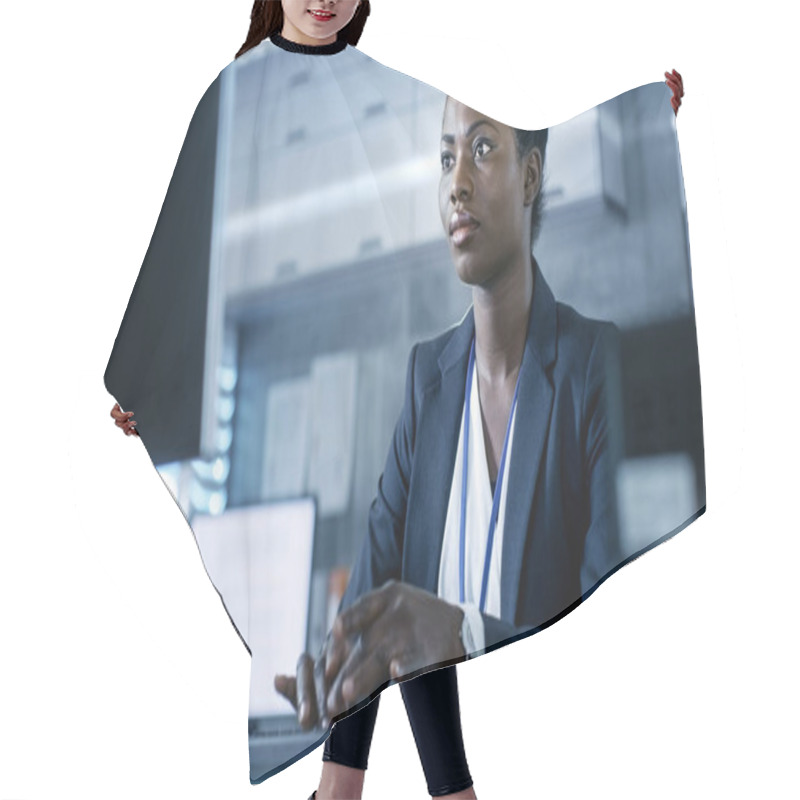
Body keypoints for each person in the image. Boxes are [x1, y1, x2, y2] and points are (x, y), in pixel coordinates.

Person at [109, 4, 687, 799]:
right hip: (383, 574)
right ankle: (390, 790)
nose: (456, 182)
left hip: (442, 607)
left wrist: (645, 115)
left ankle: (355, 789)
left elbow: (530, 569)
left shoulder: (589, 361)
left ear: (527, 178)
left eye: (479, 152)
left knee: (399, 613)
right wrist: (145, 376)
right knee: (391, 610)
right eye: (446, 154)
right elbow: (184, 250)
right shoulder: (237, 93)